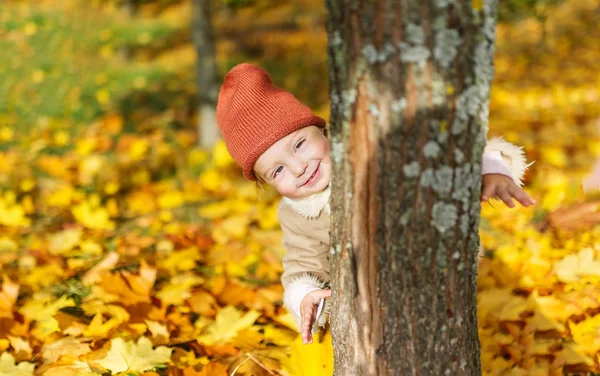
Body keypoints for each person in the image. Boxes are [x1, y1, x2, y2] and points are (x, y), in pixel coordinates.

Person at [216, 63, 536, 345]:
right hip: (376, 312)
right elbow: (303, 264)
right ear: (266, 184)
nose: (298, 168)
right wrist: (306, 295)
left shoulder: (370, 152)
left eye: (299, 144)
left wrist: (490, 166)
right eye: (278, 170)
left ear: (322, 130)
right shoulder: (297, 214)